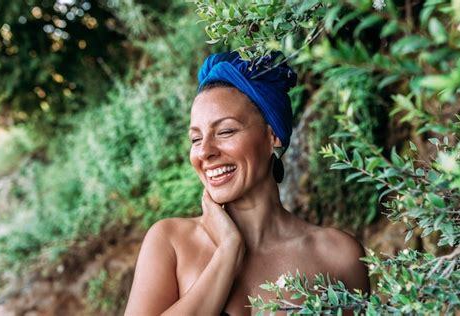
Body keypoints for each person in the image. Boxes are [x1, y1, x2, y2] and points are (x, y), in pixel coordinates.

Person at [124, 51, 370, 315]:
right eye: (196, 139)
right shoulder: (171, 242)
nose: (205, 151)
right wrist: (229, 250)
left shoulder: (338, 257)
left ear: (273, 136)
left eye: (226, 131)